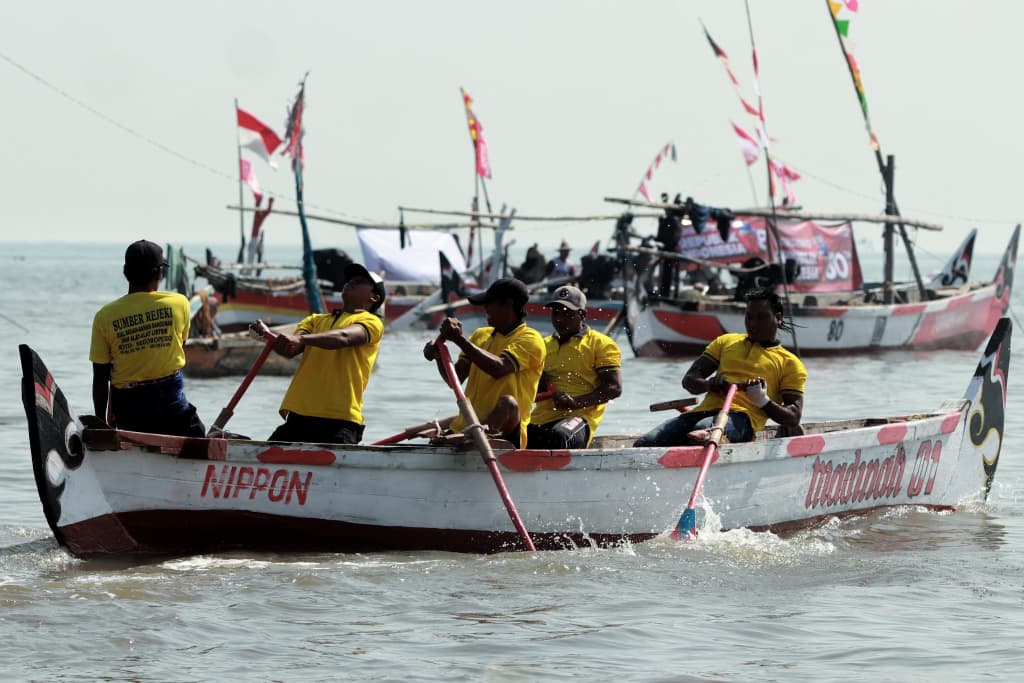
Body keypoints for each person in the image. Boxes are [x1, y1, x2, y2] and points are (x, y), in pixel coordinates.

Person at [634, 287, 806, 446]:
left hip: (742, 420)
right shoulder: (726, 342)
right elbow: (689, 381)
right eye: (749, 317)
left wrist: (762, 401)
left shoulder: (790, 363)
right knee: (644, 443)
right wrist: (709, 385)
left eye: (761, 318)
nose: (753, 324)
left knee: (700, 432)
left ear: (778, 318)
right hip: (702, 412)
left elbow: (793, 417)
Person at [256, 263, 386, 445]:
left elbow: (343, 337)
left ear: (374, 297)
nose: (351, 282)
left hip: (339, 420)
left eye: (360, 281)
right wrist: (267, 337)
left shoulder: (372, 322)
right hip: (299, 416)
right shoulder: (315, 320)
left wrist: (301, 339)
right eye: (351, 279)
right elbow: (290, 350)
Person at [90, 240, 205, 436]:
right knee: (199, 433)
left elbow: (100, 378)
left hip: (129, 414)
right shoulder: (180, 304)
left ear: (126, 272)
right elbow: (178, 347)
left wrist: (100, 425)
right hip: (173, 410)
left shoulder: (104, 316)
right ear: (160, 273)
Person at [423, 278, 545, 449]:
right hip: (466, 426)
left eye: (489, 304)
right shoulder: (480, 335)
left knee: (508, 404)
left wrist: (459, 340)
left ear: (508, 304)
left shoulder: (531, 339)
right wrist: (439, 357)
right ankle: (465, 436)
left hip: (506, 432)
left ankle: (469, 437)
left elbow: (499, 368)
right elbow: (455, 379)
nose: (485, 308)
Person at [528, 286, 622, 449]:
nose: (560, 319)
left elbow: (614, 388)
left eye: (567, 314)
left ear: (583, 315)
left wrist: (575, 403)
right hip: (540, 419)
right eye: (556, 313)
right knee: (511, 435)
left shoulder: (601, 344)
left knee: (559, 437)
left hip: (579, 418)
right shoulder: (541, 346)